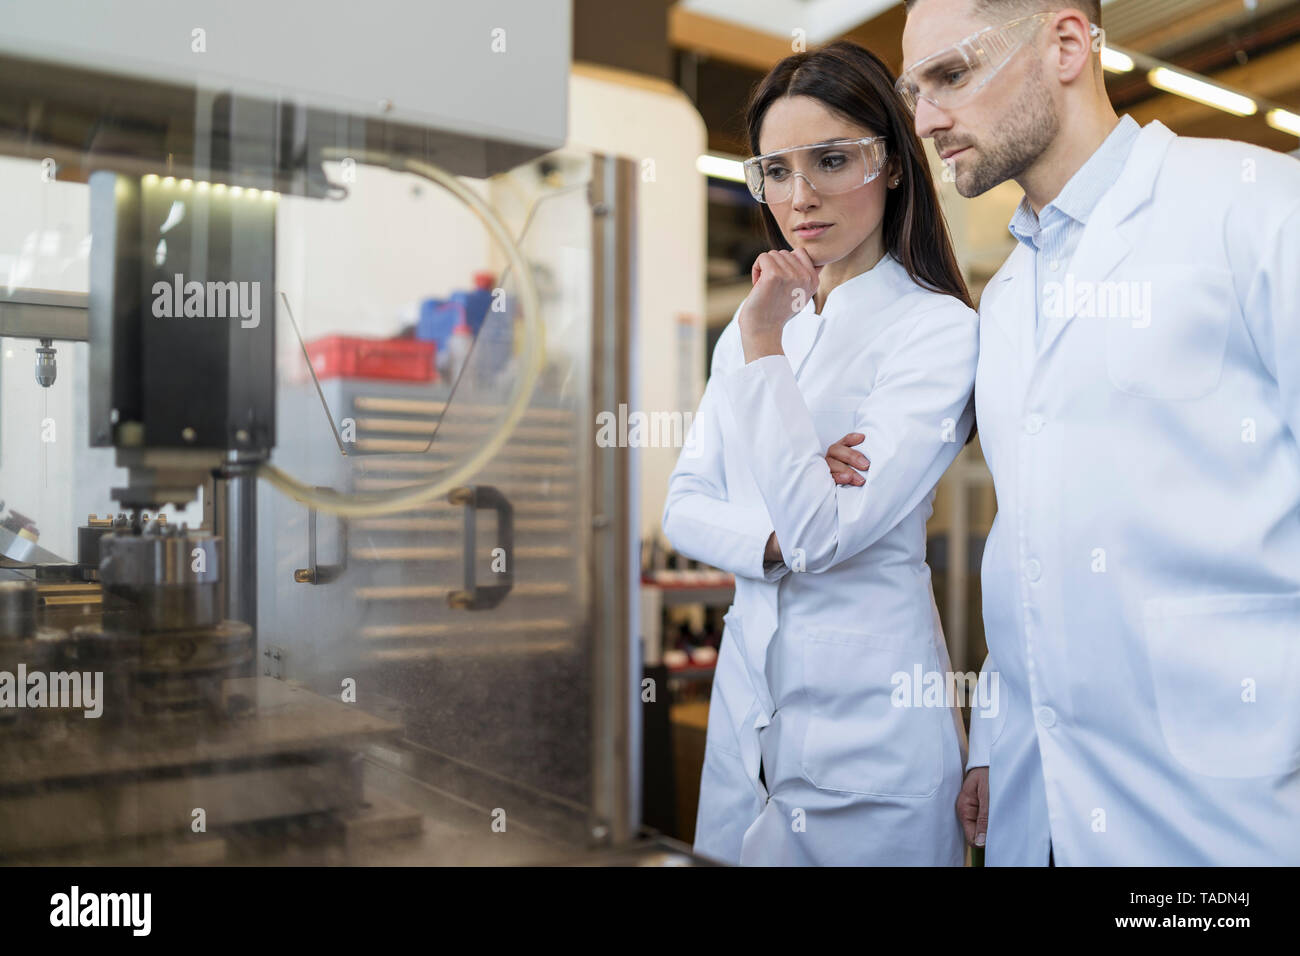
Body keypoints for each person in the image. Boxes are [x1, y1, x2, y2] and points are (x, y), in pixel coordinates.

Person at [899, 0, 1300, 865]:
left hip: (1226, 823)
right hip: (1038, 807)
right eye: (914, 91)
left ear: (1068, 43)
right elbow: (1027, 552)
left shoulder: (1256, 207)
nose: (925, 119)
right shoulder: (1004, 301)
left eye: (951, 76)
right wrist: (992, 741)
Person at [662, 40, 978, 865]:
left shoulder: (936, 330)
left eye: (833, 160)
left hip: (872, 743)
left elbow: (824, 538)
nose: (799, 197)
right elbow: (683, 505)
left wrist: (764, 346)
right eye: (775, 169)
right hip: (748, 721)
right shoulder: (762, 320)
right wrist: (781, 518)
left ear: (895, 164)